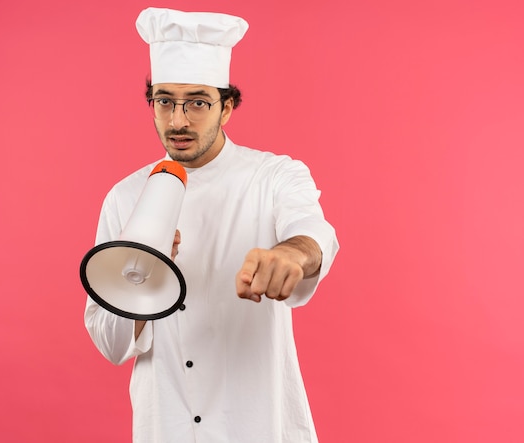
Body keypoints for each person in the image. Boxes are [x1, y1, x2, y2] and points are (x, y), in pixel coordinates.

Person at [84, 7, 339, 443]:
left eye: (198, 102)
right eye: (164, 100)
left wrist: (290, 254)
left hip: (257, 424)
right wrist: (143, 275)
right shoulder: (125, 197)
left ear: (227, 108)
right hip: (165, 425)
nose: (178, 120)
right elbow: (110, 344)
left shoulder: (273, 176)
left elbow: (314, 233)